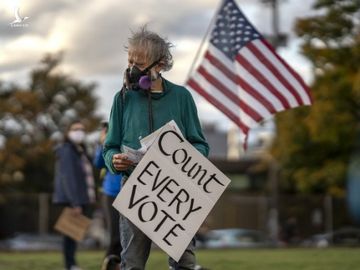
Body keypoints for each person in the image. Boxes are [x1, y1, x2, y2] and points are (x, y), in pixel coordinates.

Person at [103, 26, 209, 270]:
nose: (131, 68)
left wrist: (184, 158)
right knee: (132, 263)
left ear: (159, 65)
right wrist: (114, 160)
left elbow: (200, 144)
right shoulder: (122, 99)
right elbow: (109, 147)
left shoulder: (182, 97)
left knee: (184, 261)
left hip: (175, 190)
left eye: (139, 62)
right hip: (134, 190)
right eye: (130, 61)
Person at [53, 120, 96, 270]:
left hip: (80, 198)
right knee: (69, 233)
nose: (80, 132)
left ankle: (72, 264)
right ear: (68, 131)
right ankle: (70, 264)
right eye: (76, 129)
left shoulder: (80, 150)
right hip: (73, 199)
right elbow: (68, 177)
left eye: (82, 129)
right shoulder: (66, 149)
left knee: (74, 232)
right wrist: (74, 202)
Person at [93, 121, 122, 270]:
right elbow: (98, 163)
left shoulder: (124, 140)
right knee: (116, 236)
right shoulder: (106, 147)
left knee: (127, 237)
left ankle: (120, 265)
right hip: (111, 194)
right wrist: (102, 143)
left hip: (129, 193)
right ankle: (109, 264)